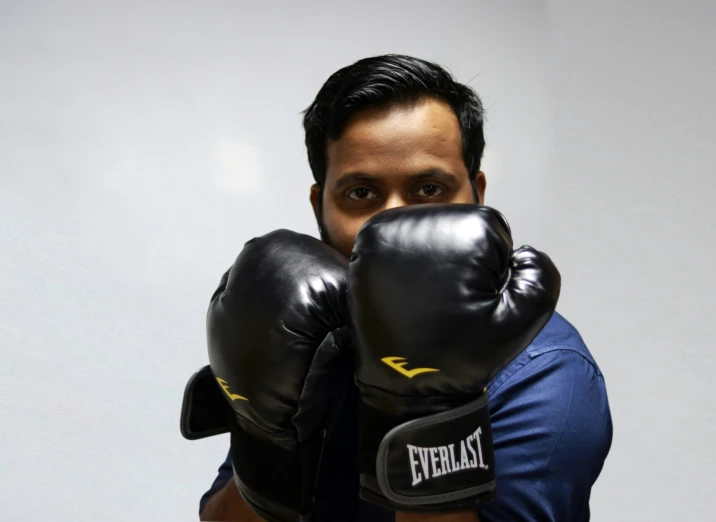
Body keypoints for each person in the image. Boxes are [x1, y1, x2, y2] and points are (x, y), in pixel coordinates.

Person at [188, 54, 613, 522]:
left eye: (429, 189)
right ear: (319, 207)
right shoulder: (303, 327)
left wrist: (425, 407)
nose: (392, 221)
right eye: (361, 193)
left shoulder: (546, 370)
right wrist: (263, 439)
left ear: (477, 194)